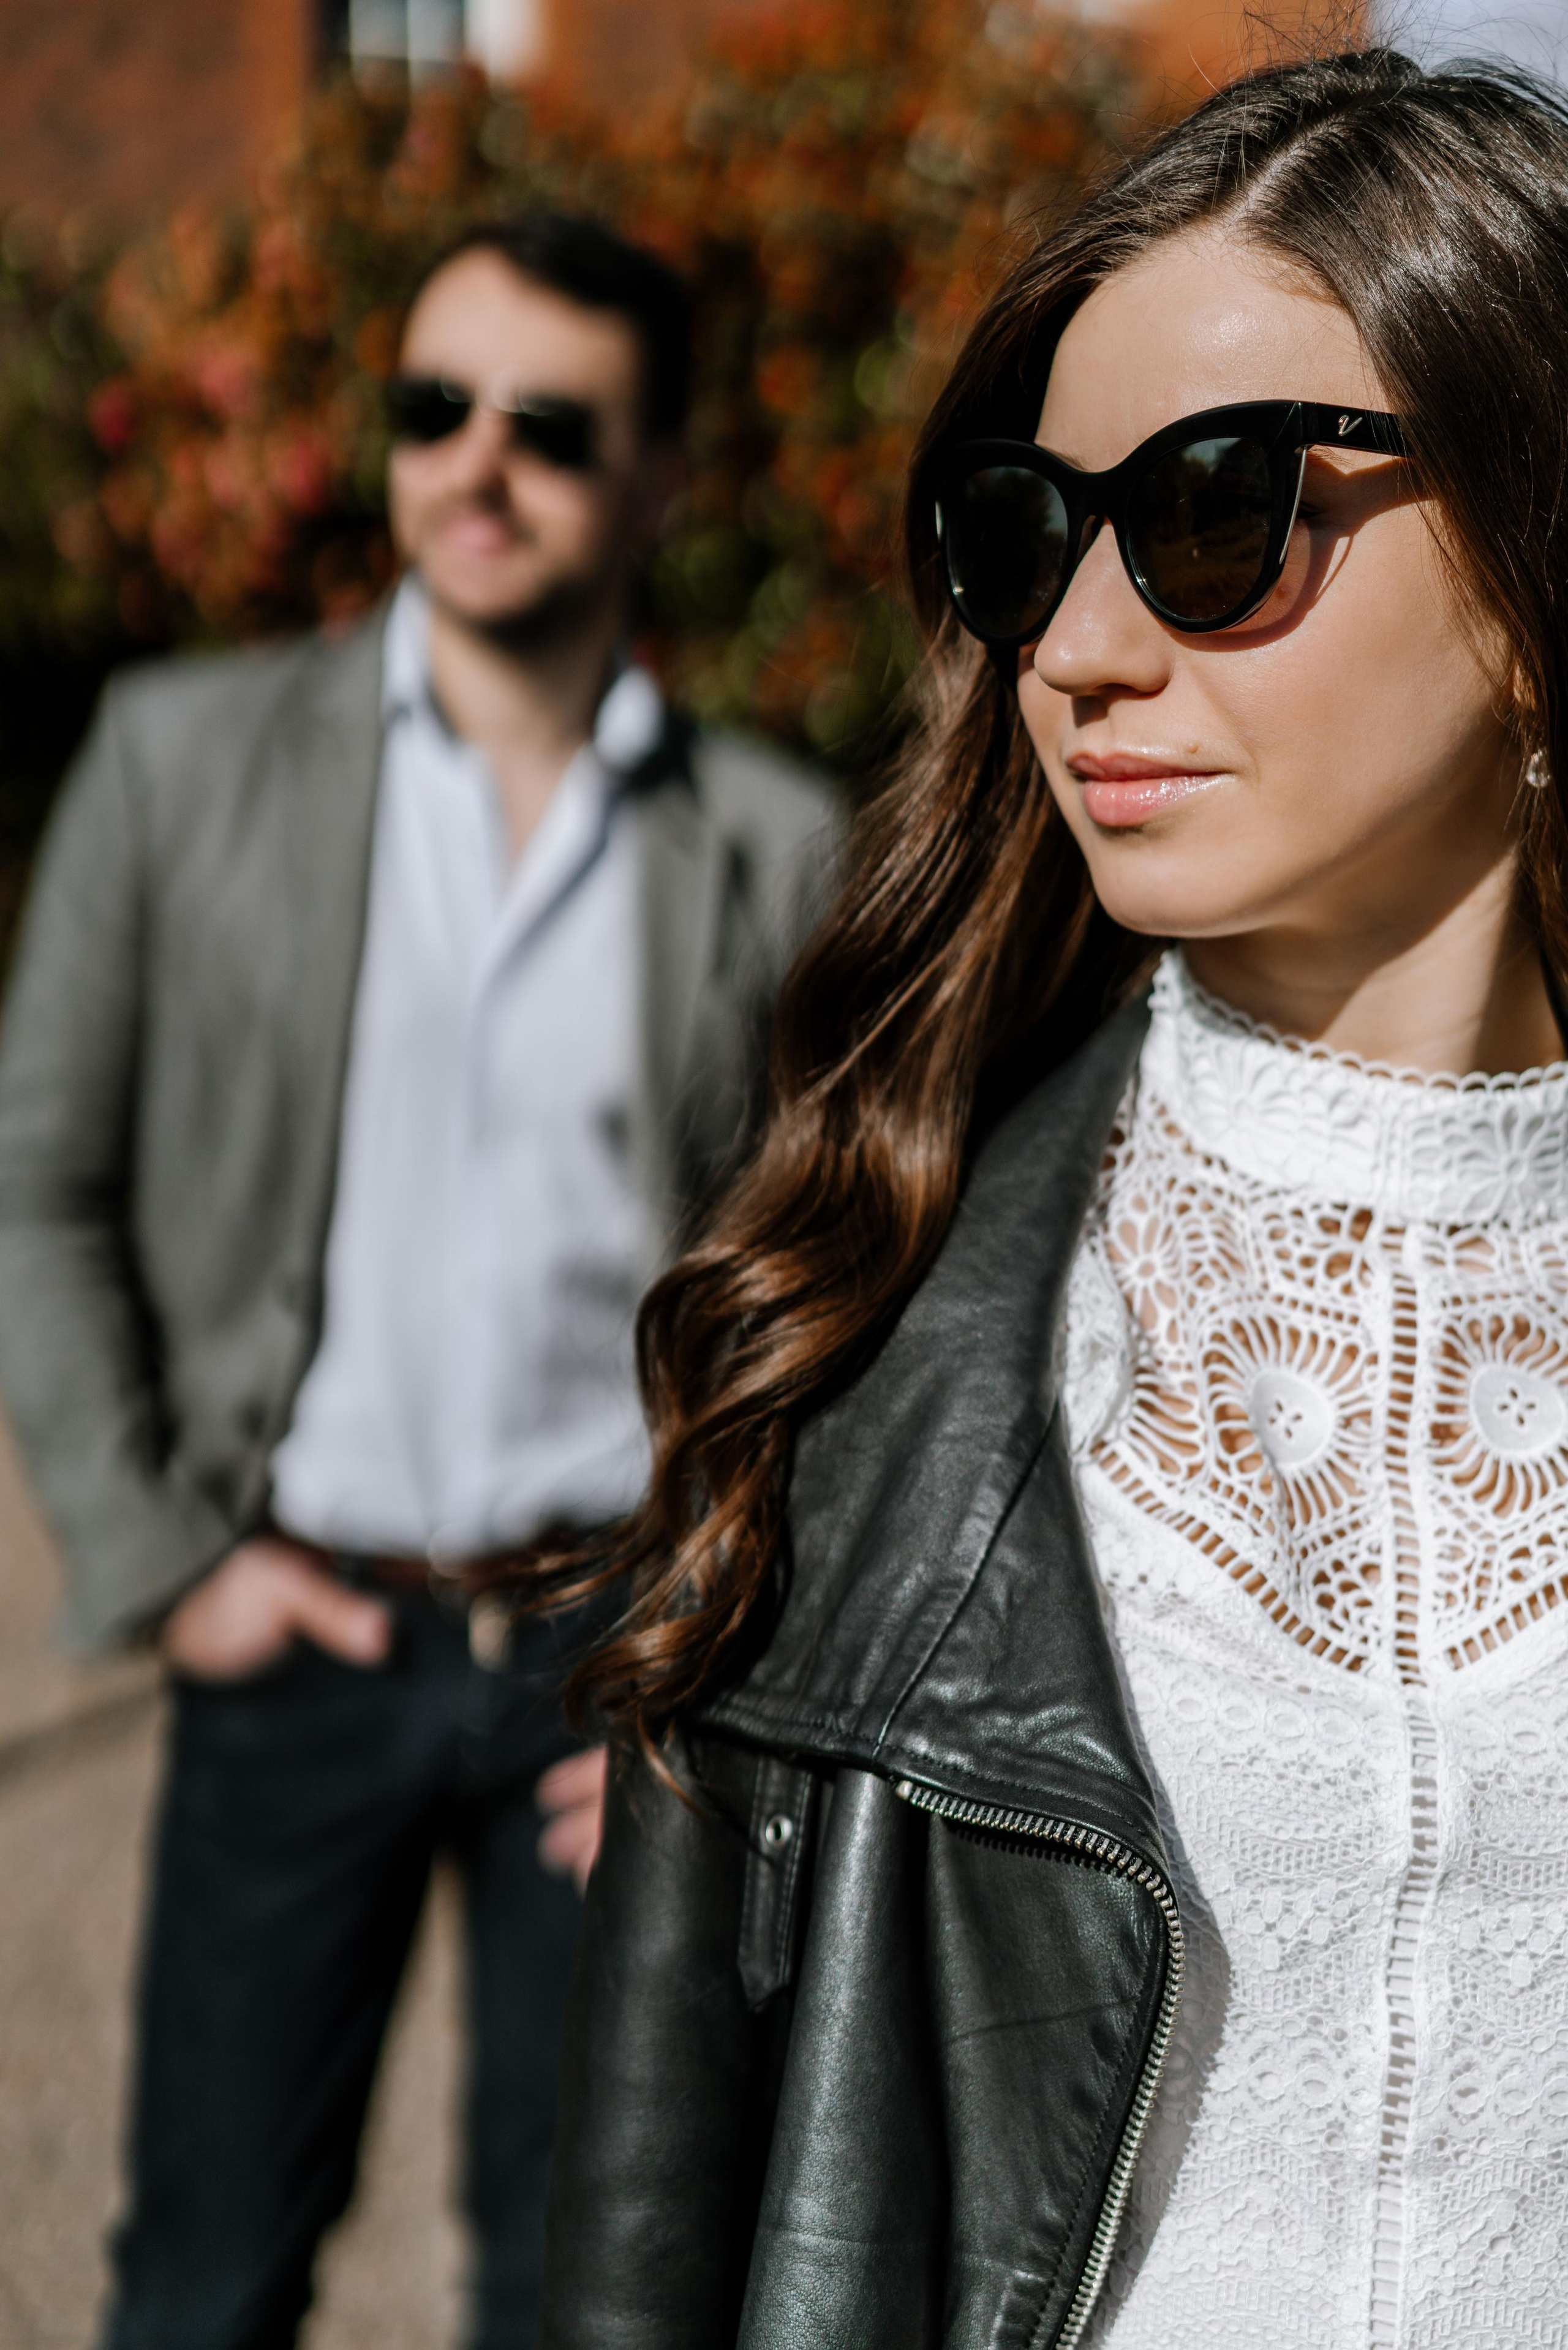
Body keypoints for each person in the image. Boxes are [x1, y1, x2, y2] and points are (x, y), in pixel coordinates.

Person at [532, 50, 1568, 2350]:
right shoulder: (845, 1349)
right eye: (1027, 535)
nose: (1078, 646)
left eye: (1214, 510)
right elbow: (652, 2263)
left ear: (1533, 565)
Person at [0, 211, 835, 2349]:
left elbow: (834, 1294)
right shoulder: (183, 768)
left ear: (656, 481)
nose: (477, 464)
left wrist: (724, 1658)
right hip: (302, 1622)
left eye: (551, 428)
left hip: (612, 1666)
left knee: (587, 2297)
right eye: (431, 407)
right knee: (200, 2288)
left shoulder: (770, 844)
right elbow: (40, 1181)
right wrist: (164, 1552)